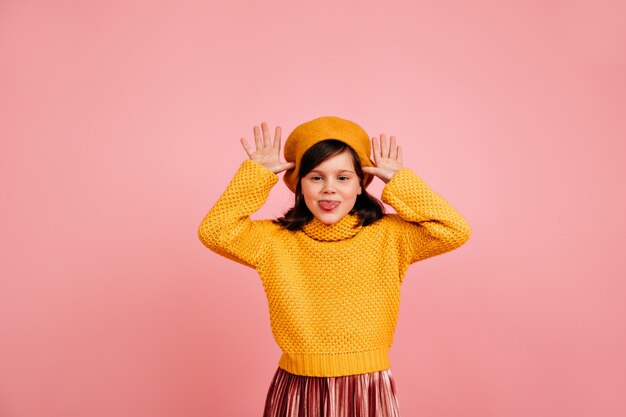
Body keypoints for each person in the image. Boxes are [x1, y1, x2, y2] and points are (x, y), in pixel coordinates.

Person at [198, 116, 472, 417]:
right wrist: (256, 176)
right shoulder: (274, 239)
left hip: (367, 388)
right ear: (299, 186)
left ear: (361, 185)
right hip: (297, 388)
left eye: (343, 178)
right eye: (316, 177)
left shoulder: (390, 235)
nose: (329, 189)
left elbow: (454, 230)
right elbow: (214, 232)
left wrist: (400, 181)